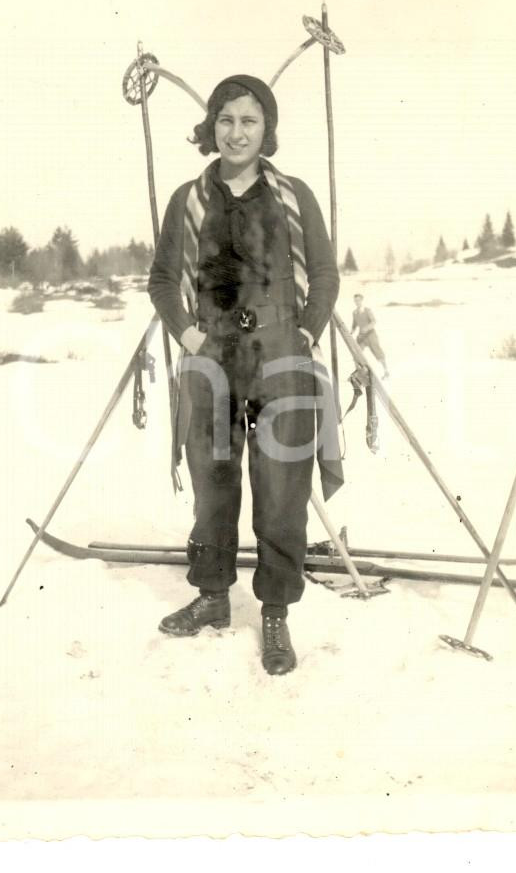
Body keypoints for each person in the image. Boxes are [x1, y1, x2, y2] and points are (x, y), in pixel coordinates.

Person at [148, 74, 342, 676]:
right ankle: (211, 596)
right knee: (213, 482)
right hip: (211, 358)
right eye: (226, 120)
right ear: (212, 127)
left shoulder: (292, 194)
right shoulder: (189, 199)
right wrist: (187, 333)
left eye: (249, 121)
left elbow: (327, 275)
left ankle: (275, 611)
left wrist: (305, 331)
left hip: (281, 357)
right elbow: (162, 280)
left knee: (282, 490)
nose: (237, 132)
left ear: (267, 130)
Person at [351, 293, 389, 378]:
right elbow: (354, 325)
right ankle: (359, 373)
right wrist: (351, 331)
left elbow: (374, 321)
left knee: (378, 353)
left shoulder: (367, 310)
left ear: (361, 300)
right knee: (356, 354)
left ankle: (386, 371)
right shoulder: (354, 312)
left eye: (358, 300)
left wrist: (367, 328)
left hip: (371, 335)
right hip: (361, 337)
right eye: (355, 301)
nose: (357, 302)